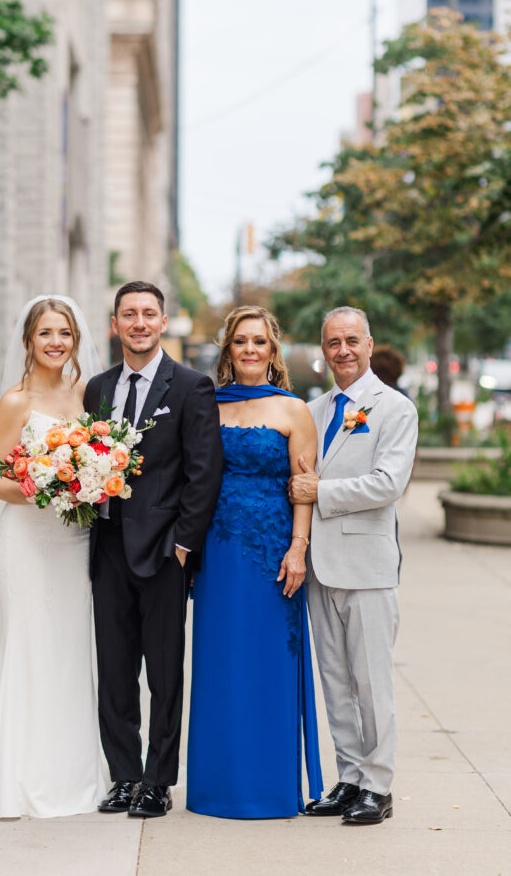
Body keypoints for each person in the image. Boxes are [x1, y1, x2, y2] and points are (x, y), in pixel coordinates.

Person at [83, 281, 222, 818]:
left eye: (148, 314)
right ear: (115, 324)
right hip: (108, 548)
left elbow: (202, 474)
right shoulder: (96, 389)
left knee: (164, 673)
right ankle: (123, 776)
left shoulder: (190, 387)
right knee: (115, 670)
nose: (139, 323)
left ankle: (158, 782)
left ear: (163, 322)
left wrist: (184, 546)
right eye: (128, 314)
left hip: (166, 552)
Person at [0, 295, 105, 819]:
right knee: (29, 646)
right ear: (28, 340)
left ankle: (72, 777)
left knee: (69, 650)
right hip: (26, 538)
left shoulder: (87, 394)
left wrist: (87, 481)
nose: (56, 343)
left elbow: (99, 458)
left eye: (65, 334)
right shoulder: (15, 402)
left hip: (74, 541)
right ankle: (17, 778)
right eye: (46, 333)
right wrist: (41, 487)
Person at [187, 305, 323, 818]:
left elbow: (303, 487)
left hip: (272, 555)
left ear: (272, 350)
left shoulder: (293, 411)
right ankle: (215, 787)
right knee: (220, 664)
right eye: (240, 341)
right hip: (218, 552)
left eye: (259, 342)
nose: (249, 349)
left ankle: (267, 788)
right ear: (228, 349)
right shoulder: (207, 405)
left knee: (268, 663)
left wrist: (298, 547)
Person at [289, 306, 418, 825]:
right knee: (336, 681)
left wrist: (321, 491)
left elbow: (389, 483)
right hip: (321, 567)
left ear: (369, 345)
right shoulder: (313, 409)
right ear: (323, 350)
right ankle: (349, 778)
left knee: (372, 683)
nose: (341, 350)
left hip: (367, 566)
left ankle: (379, 784)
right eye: (332, 342)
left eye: (350, 341)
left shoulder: (395, 409)